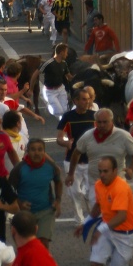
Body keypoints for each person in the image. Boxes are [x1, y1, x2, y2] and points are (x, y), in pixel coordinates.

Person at [74, 156, 133, 266]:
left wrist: (100, 230)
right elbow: (98, 207)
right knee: (95, 264)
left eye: (105, 171)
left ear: (115, 171)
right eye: (100, 171)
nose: (102, 175)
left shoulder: (121, 188)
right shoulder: (99, 185)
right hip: (107, 230)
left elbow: (121, 216)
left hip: (125, 235)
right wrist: (86, 223)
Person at [65, 108, 133, 196]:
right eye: (99, 122)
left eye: (105, 122)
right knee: (98, 208)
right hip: (95, 183)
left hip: (117, 183)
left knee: (117, 208)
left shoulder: (123, 136)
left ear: (111, 121)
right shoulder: (88, 136)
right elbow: (76, 153)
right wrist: (71, 174)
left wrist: (131, 169)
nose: (102, 125)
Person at [9, 139, 63, 249]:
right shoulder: (19, 169)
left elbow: (58, 181)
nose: (36, 153)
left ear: (44, 152)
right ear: (27, 151)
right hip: (25, 213)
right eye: (33, 150)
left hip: (46, 210)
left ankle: (43, 265)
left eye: (40, 150)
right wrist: (19, 203)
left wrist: (58, 200)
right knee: (26, 245)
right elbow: (9, 189)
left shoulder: (50, 167)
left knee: (43, 243)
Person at [56, 89, 95, 224]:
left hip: (90, 160)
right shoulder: (68, 117)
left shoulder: (94, 116)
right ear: (75, 101)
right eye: (83, 99)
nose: (87, 102)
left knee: (90, 193)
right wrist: (65, 143)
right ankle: (80, 220)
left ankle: (93, 217)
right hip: (72, 159)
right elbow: (59, 138)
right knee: (75, 192)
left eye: (88, 99)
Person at [29, 43, 73, 120]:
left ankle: (63, 127)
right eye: (66, 52)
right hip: (50, 91)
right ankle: (49, 107)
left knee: (65, 111)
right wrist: (31, 89)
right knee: (59, 111)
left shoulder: (64, 63)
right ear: (61, 52)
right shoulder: (48, 63)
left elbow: (69, 77)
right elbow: (34, 75)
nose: (67, 54)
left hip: (61, 89)